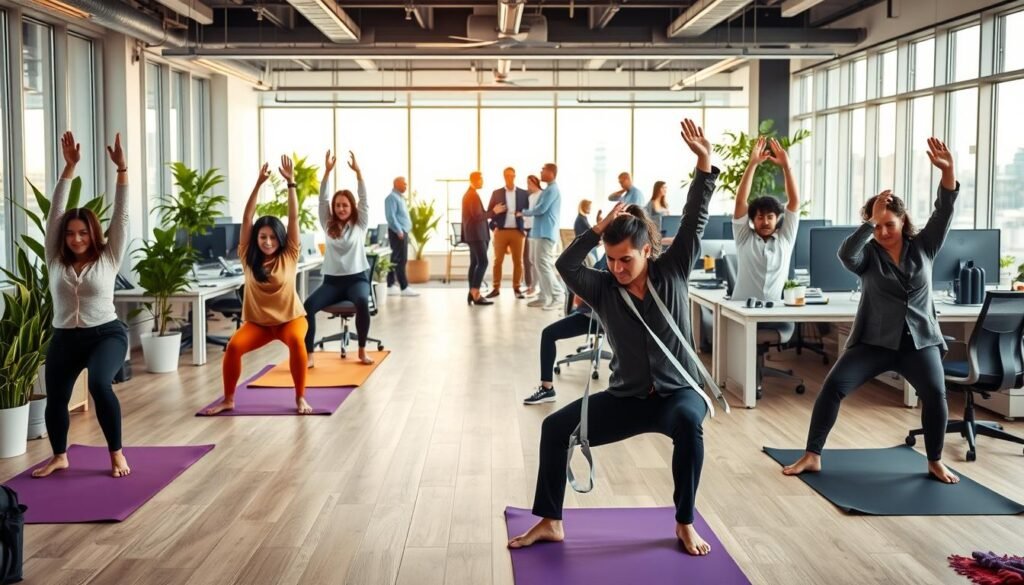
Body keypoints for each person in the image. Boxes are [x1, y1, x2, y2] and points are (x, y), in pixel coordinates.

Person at [508, 119, 722, 556]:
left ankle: (684, 522)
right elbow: (567, 266)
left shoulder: (674, 270)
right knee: (554, 428)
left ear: (647, 250)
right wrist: (595, 231)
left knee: (688, 426)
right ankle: (550, 521)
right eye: (611, 259)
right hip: (625, 396)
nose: (617, 268)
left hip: (678, 392)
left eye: (625, 259)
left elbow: (694, 217)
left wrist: (704, 162)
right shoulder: (603, 286)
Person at [782, 137, 961, 485]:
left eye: (888, 225)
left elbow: (945, 211)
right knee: (833, 388)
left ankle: (935, 460)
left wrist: (949, 172)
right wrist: (869, 220)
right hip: (874, 342)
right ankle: (812, 455)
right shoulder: (868, 256)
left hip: (918, 342)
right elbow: (846, 255)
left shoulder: (924, 246)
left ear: (902, 221)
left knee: (936, 396)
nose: (882, 232)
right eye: (877, 226)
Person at [33, 131, 132, 479]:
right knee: (55, 396)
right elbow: (55, 213)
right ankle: (60, 455)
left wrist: (122, 170)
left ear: (94, 234)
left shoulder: (108, 257)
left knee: (99, 384)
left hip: (105, 334)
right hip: (65, 337)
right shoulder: (55, 259)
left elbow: (120, 217)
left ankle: (116, 453)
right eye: (71, 233)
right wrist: (68, 168)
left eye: (83, 233)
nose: (76, 238)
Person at [204, 156, 312, 415]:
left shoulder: (289, 255)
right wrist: (258, 184)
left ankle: (300, 398)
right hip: (260, 325)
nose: (267, 241)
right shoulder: (247, 256)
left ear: (280, 239)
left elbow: (294, 219)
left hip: (290, 320)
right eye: (263, 236)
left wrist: (291, 184)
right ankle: (229, 399)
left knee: (298, 342)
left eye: (273, 237)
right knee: (233, 347)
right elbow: (246, 218)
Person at [303, 150, 375, 366]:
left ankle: (362, 351)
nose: (341, 208)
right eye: (338, 205)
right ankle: (309, 356)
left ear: (351, 207)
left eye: (345, 205)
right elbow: (322, 199)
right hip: (332, 282)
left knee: (362, 301)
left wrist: (359, 173)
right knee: (308, 306)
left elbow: (364, 198)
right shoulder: (327, 223)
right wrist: (326, 172)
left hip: (356, 280)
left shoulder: (360, 224)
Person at [731, 136, 799, 303]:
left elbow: (794, 202)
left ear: (777, 219)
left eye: (770, 217)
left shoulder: (785, 239)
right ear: (753, 220)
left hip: (773, 311)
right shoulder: (744, 238)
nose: (766, 222)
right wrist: (752, 164)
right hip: (740, 310)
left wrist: (787, 167)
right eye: (760, 217)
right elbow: (741, 201)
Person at [520, 163, 563, 311]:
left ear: (551, 172)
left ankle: (558, 296)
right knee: (539, 264)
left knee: (543, 264)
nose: (541, 172)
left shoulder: (552, 190)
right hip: (540, 232)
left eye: (543, 170)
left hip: (546, 232)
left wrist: (524, 212)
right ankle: (544, 296)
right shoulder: (548, 190)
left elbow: (541, 209)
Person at [485, 167, 530, 299]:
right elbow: (490, 212)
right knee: (497, 261)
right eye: (507, 176)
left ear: (515, 176)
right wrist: (493, 227)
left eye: (512, 175)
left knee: (518, 261)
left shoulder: (523, 193)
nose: (509, 178)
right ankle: (496, 288)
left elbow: (529, 212)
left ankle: (517, 288)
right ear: (504, 176)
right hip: (501, 232)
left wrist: (525, 230)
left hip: (517, 232)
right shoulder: (496, 193)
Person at [384, 176, 418, 297]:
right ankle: (404, 287)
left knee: (396, 259)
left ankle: (390, 285)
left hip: (402, 231)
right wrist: (399, 230)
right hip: (398, 232)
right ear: (396, 184)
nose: (406, 186)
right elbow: (391, 217)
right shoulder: (391, 198)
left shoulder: (400, 198)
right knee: (400, 260)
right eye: (404, 184)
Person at [463, 171, 492, 306]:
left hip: (473, 235)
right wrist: (493, 212)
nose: (483, 182)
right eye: (481, 180)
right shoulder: (472, 195)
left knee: (475, 263)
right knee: (483, 262)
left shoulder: (470, 194)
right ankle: (475, 293)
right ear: (475, 180)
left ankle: (471, 293)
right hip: (477, 235)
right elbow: (477, 216)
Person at [522, 174, 543, 297]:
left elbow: (536, 212)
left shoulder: (542, 194)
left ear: (535, 182)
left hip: (538, 230)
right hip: (529, 230)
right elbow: (529, 214)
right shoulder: (531, 197)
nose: (528, 185)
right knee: (530, 259)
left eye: (529, 183)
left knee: (536, 260)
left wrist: (523, 214)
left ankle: (535, 287)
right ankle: (532, 286)